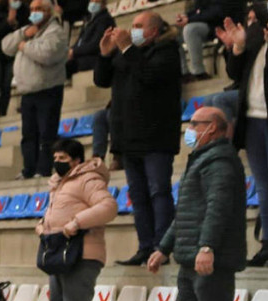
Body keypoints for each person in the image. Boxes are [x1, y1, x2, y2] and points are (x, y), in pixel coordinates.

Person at [144, 107, 246, 301]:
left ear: (212, 128)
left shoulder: (221, 162)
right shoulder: (200, 161)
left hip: (209, 260)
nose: (189, 130)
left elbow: (218, 207)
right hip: (190, 258)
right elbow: (186, 213)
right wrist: (163, 247)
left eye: (194, 124)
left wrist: (207, 247)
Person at [95, 12, 181, 266]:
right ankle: (145, 247)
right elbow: (101, 80)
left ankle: (161, 248)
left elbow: (149, 77)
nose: (132, 30)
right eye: (132, 26)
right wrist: (104, 54)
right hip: (128, 137)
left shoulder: (166, 51)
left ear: (154, 31)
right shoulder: (126, 53)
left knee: (158, 192)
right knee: (139, 196)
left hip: (155, 136)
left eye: (138, 26)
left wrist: (126, 48)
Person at [31, 139, 117, 301]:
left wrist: (77, 222)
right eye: (55, 158)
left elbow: (109, 207)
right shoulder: (58, 184)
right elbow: (56, 212)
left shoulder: (89, 179)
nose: (57, 163)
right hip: (60, 254)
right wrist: (43, 225)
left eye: (63, 159)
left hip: (83, 254)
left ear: (77, 160)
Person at [2, 0, 68, 179]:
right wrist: (23, 34)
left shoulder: (56, 31)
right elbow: (6, 46)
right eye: (32, 9)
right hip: (28, 92)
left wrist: (24, 46)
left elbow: (47, 54)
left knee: (46, 135)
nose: (34, 12)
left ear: (48, 11)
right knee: (28, 135)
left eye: (38, 9)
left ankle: (43, 169)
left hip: (48, 89)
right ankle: (28, 169)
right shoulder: (28, 30)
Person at [221, 17, 268, 266]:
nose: (248, 24)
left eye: (253, 20)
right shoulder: (253, 45)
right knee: (262, 185)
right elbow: (233, 74)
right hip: (252, 120)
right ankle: (266, 243)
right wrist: (237, 48)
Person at [0, 0, 28, 119]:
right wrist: (8, 21)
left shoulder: (24, 10)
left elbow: (26, 30)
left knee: (6, 84)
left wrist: (15, 24)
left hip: (12, 53)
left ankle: (2, 112)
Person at [176, 0, 232, 82]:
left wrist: (189, 19)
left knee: (190, 29)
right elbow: (199, 10)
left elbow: (216, 12)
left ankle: (199, 72)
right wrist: (185, 16)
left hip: (217, 25)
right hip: (203, 23)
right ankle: (184, 73)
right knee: (173, 34)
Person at [65, 0, 116, 78]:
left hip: (93, 57)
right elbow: (79, 41)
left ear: (103, 4)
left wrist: (74, 52)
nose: (93, 4)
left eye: (96, 2)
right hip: (82, 55)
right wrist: (70, 51)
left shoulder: (105, 19)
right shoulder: (89, 20)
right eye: (91, 1)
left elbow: (96, 45)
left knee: (62, 67)